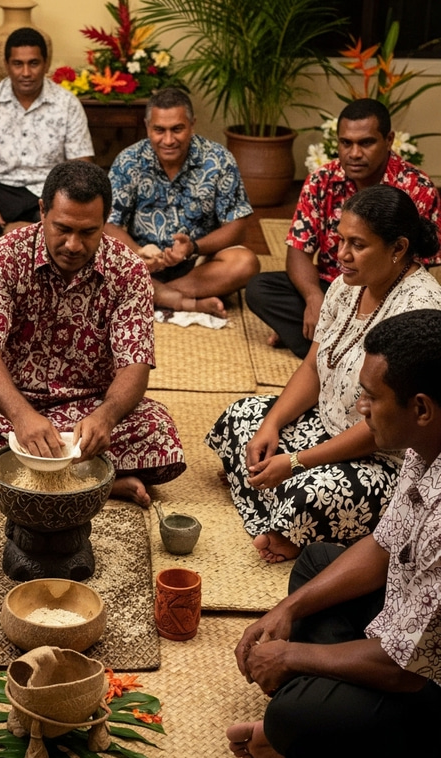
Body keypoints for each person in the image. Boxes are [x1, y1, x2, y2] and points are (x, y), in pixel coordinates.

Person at [227, 308, 441, 758]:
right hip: (406, 641)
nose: (361, 410)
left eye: (371, 398)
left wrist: (293, 655)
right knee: (316, 564)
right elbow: (384, 545)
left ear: (421, 408)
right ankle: (331, 699)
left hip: (424, 680)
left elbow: (405, 668)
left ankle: (317, 727)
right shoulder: (426, 446)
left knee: (291, 717)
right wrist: (287, 610)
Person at [0, 161, 185, 508]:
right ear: (42, 211)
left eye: (88, 232)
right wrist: (21, 415)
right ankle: (94, 484)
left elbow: (136, 364)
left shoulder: (129, 270)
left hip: (91, 406)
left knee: (163, 438)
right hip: (8, 402)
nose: (73, 244)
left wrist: (106, 417)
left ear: (106, 221)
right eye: (62, 228)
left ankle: (3, 479)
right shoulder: (2, 257)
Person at [206, 185, 441, 563]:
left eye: (357, 245)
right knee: (243, 419)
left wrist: (298, 461)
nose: (341, 255)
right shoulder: (347, 286)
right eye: (340, 240)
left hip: (381, 456)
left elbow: (384, 424)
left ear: (398, 248)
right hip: (326, 424)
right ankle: (278, 510)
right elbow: (314, 366)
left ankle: (286, 519)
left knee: (310, 493)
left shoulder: (420, 307)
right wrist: (272, 424)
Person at [246, 98, 441, 358]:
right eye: (345, 143)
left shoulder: (417, 187)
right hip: (332, 288)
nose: (354, 153)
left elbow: (421, 269)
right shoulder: (321, 180)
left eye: (366, 143)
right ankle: (352, 349)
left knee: (418, 327)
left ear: (389, 139)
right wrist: (314, 298)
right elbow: (298, 250)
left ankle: (325, 344)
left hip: (386, 294)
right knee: (260, 289)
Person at [104, 88, 259, 318]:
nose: (168, 140)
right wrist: (138, 253)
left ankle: (151, 295)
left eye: (177, 129)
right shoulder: (128, 160)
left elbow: (237, 228)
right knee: (89, 255)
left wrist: (192, 247)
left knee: (247, 263)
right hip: (142, 264)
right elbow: (109, 224)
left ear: (192, 125)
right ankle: (182, 302)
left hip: (198, 265)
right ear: (147, 126)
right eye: (159, 130)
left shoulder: (218, 159)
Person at [0, 27, 95, 243]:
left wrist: (65, 206)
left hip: (49, 191)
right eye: (18, 64)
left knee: (65, 224)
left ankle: (18, 230)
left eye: (33, 63)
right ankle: (22, 231)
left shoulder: (67, 104)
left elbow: (82, 166)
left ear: (46, 64)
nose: (26, 73)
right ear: (7, 65)